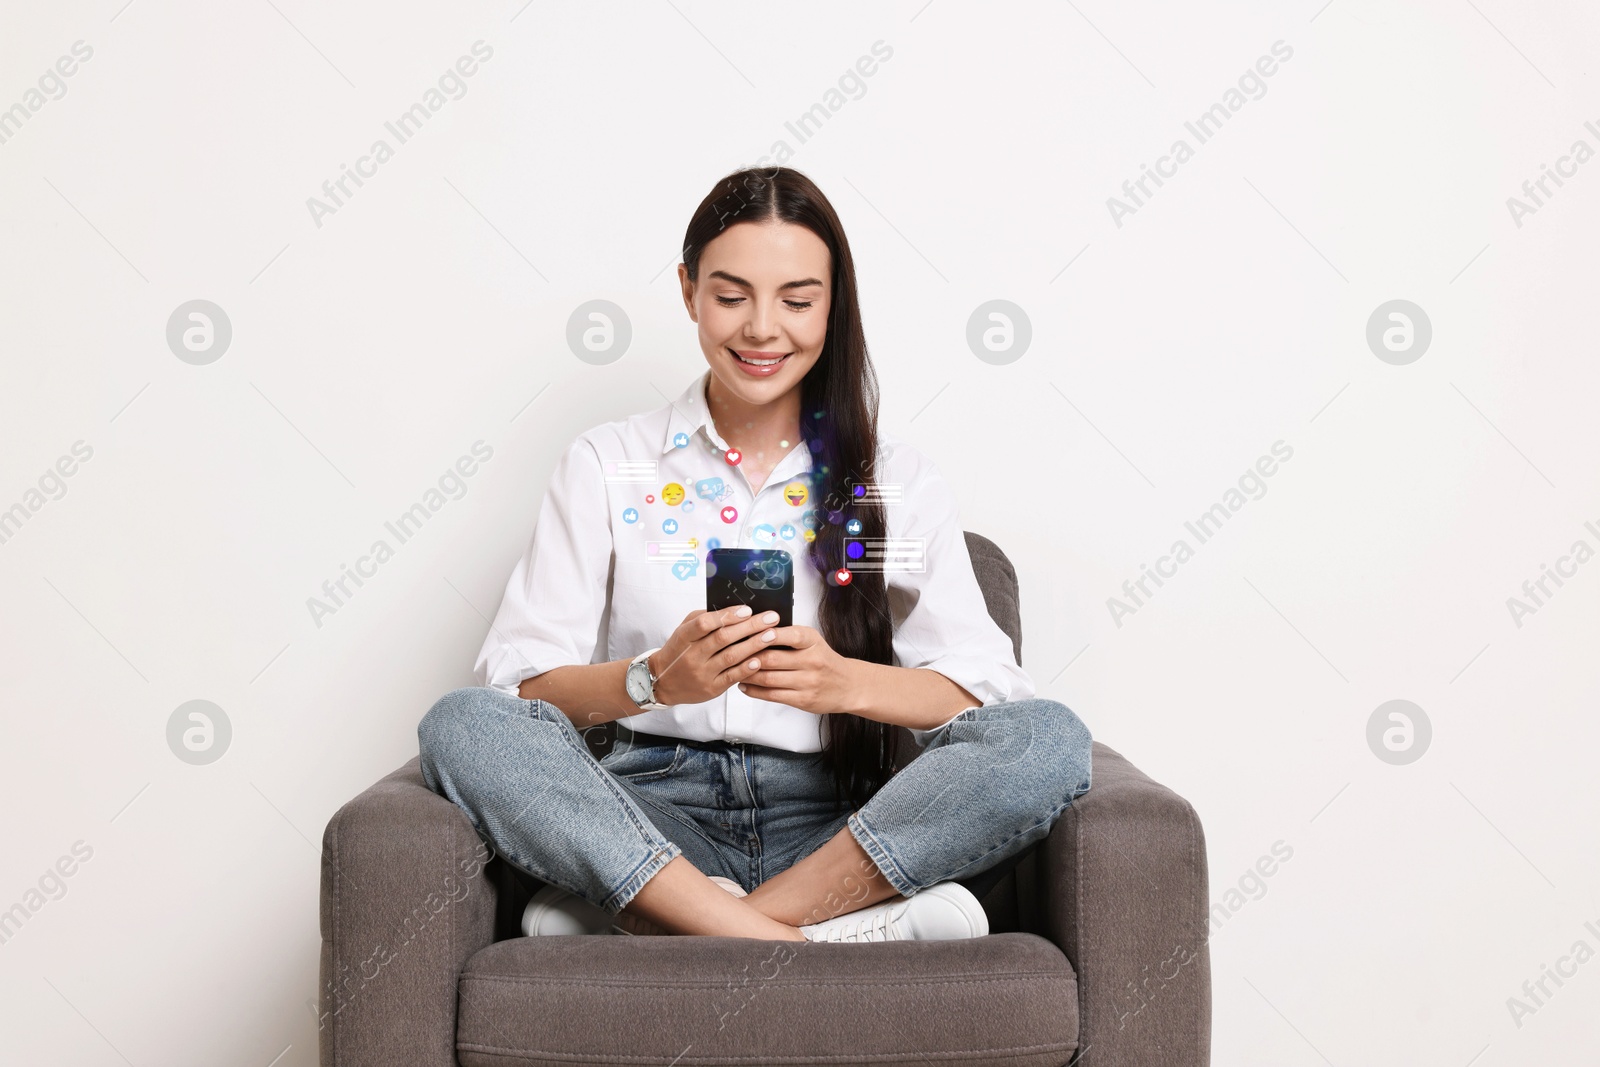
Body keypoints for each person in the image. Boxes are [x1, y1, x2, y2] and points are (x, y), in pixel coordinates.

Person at [417, 166, 1093, 943]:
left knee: (1047, 736)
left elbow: (983, 696)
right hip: (653, 811)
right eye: (731, 296)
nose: (762, 328)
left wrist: (844, 682)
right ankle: (810, 937)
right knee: (460, 723)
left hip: (836, 823)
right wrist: (653, 680)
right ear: (688, 290)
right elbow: (521, 688)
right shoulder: (609, 464)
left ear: (834, 303)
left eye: (798, 300)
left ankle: (686, 924)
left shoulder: (890, 482)